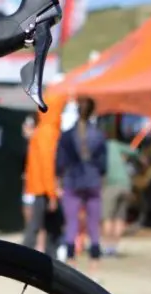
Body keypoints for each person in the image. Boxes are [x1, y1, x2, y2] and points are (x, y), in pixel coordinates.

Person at [56, 96, 108, 277]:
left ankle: (72, 263)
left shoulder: (68, 135)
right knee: (94, 225)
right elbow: (103, 164)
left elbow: (60, 161)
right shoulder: (99, 135)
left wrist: (58, 179)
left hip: (72, 180)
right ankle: (94, 266)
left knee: (71, 224)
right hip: (93, 180)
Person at [22, 103, 64, 256]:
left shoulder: (40, 130)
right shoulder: (48, 132)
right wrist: (52, 194)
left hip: (39, 187)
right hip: (45, 189)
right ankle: (25, 258)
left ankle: (25, 257)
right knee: (44, 228)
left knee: (38, 226)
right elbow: (47, 165)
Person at [102, 131, 138, 256]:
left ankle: (107, 248)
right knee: (119, 217)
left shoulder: (100, 147)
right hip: (125, 184)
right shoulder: (115, 144)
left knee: (107, 217)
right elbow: (134, 151)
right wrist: (125, 156)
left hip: (111, 184)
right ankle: (114, 248)